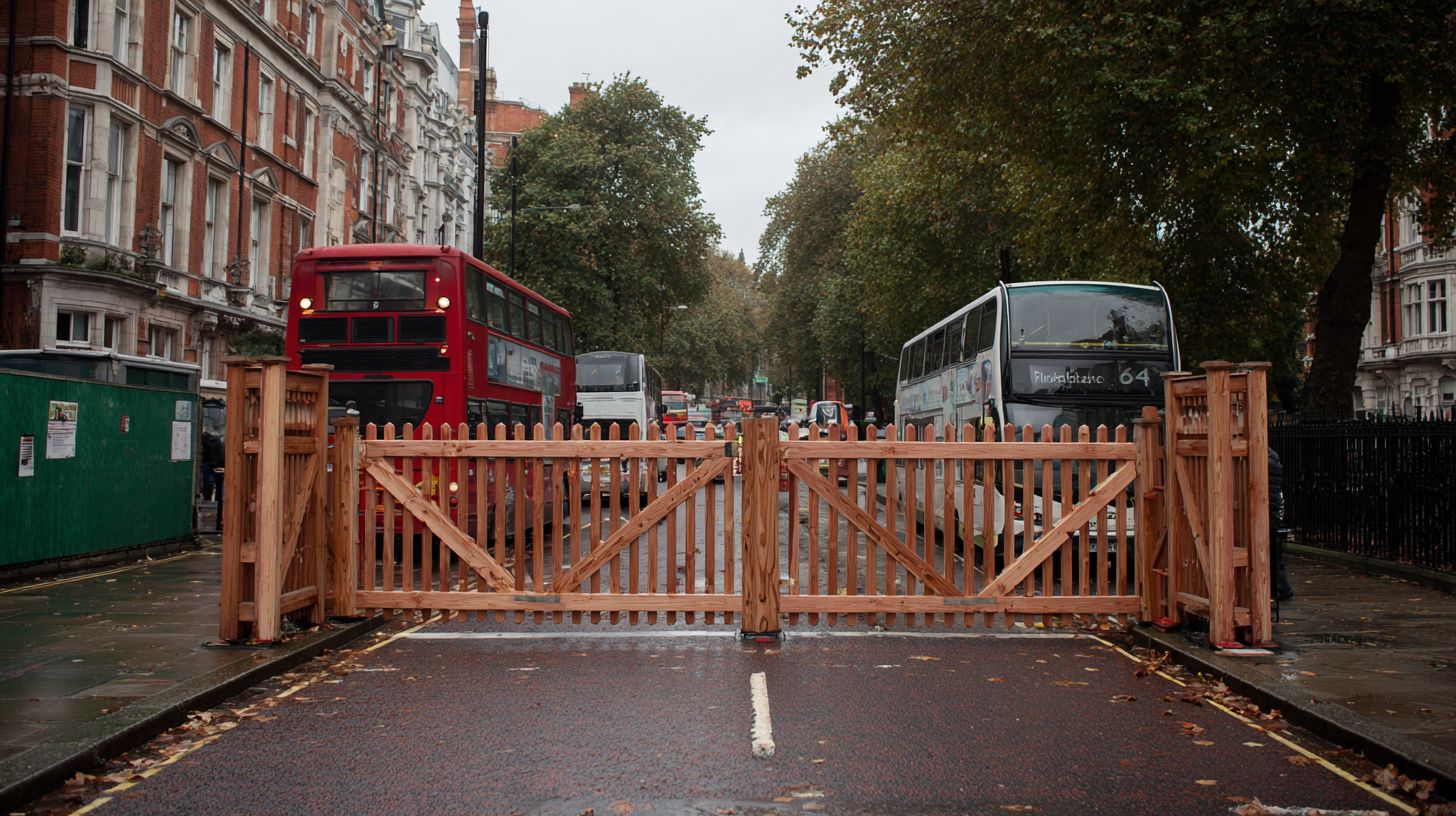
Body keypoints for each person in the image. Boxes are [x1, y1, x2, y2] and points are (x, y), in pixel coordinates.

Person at [1268, 446, 1293, 601]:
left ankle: (1282, 588)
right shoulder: (1273, 457)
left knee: (1272, 552)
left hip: (1268, 510)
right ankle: (1281, 588)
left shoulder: (1264, 458)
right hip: (1273, 510)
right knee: (1275, 552)